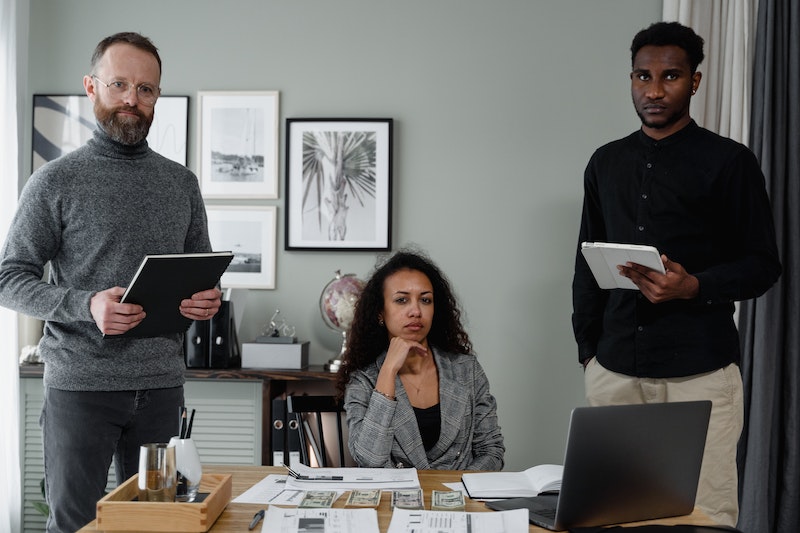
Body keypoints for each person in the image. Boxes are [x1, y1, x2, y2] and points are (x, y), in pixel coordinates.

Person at [0, 32, 221, 532]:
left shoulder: (181, 183)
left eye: (146, 89)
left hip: (162, 387)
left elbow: (200, 271)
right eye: (119, 84)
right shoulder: (54, 181)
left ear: (157, 97)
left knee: (160, 525)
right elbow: (8, 278)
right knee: (76, 525)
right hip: (81, 388)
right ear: (91, 87)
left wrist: (208, 300)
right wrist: (86, 305)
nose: (131, 99)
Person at [572, 21, 781, 527]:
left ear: (695, 81)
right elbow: (585, 265)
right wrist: (590, 355)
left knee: (702, 517)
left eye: (670, 76)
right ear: (631, 80)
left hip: (701, 375)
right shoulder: (605, 162)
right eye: (643, 77)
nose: (655, 89)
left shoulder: (730, 163)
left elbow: (763, 265)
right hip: (616, 370)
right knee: (615, 514)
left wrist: (695, 286)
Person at [337, 250, 504, 470]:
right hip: (393, 500)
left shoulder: (467, 370)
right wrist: (388, 370)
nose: (415, 311)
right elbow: (370, 460)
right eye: (401, 300)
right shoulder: (363, 379)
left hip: (459, 498)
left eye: (425, 300)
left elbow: (491, 451)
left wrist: (459, 490)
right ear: (380, 312)